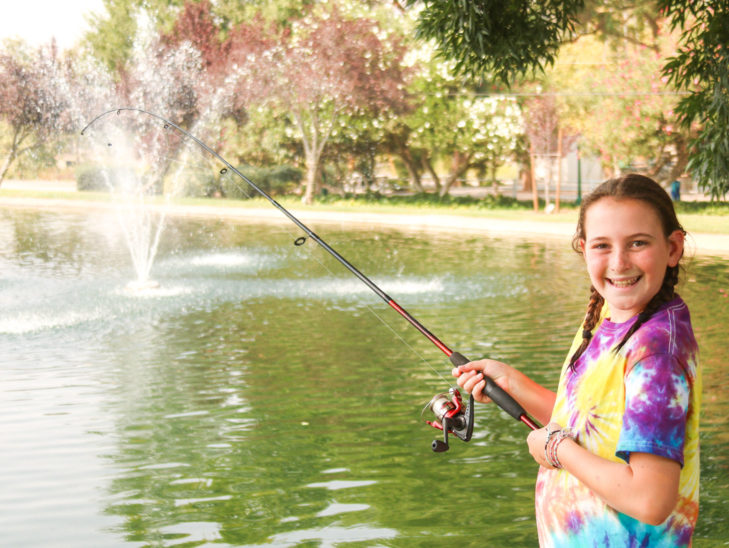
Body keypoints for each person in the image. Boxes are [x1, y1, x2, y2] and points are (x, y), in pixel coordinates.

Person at [453, 173, 700, 547]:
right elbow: (592, 426)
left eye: (637, 243)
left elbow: (650, 501)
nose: (619, 262)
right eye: (602, 245)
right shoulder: (608, 315)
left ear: (673, 248)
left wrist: (556, 449)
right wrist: (513, 384)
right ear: (583, 248)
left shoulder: (656, 355)